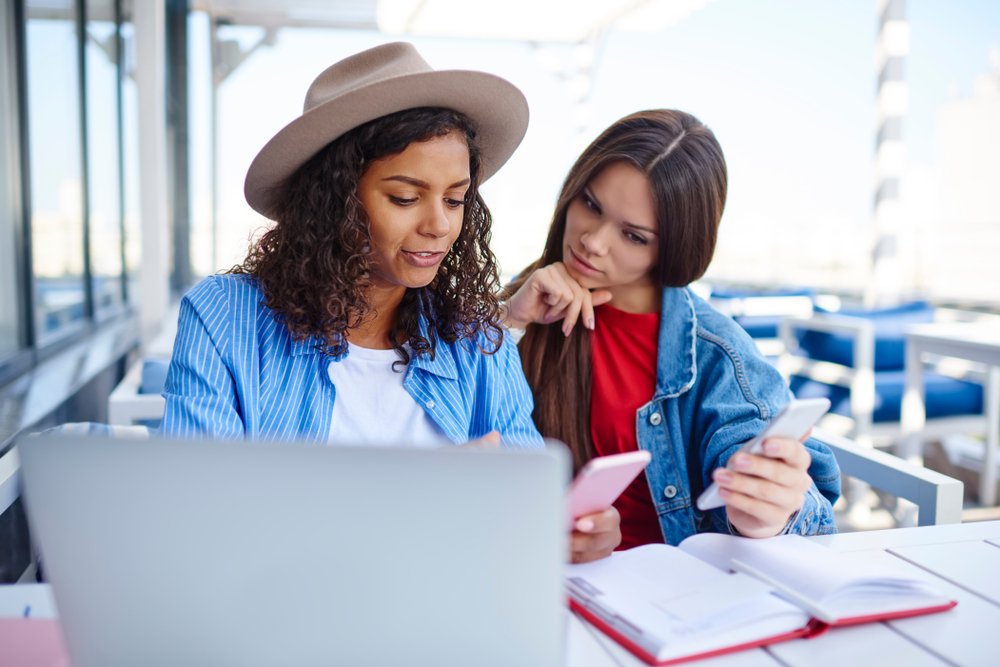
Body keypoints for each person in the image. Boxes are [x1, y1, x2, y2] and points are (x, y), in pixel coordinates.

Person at [159, 42, 619, 562]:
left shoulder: (476, 341)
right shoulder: (225, 318)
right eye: (405, 198)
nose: (439, 226)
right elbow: (197, 517)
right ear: (332, 200)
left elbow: (524, 499)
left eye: (454, 198)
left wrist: (562, 529)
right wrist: (405, 497)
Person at [504, 109, 841, 547]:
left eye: (634, 236)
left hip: (668, 594)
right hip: (536, 572)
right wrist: (510, 320)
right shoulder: (522, 305)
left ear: (675, 248)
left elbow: (797, 505)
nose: (593, 241)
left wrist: (766, 513)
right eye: (590, 204)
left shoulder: (718, 354)